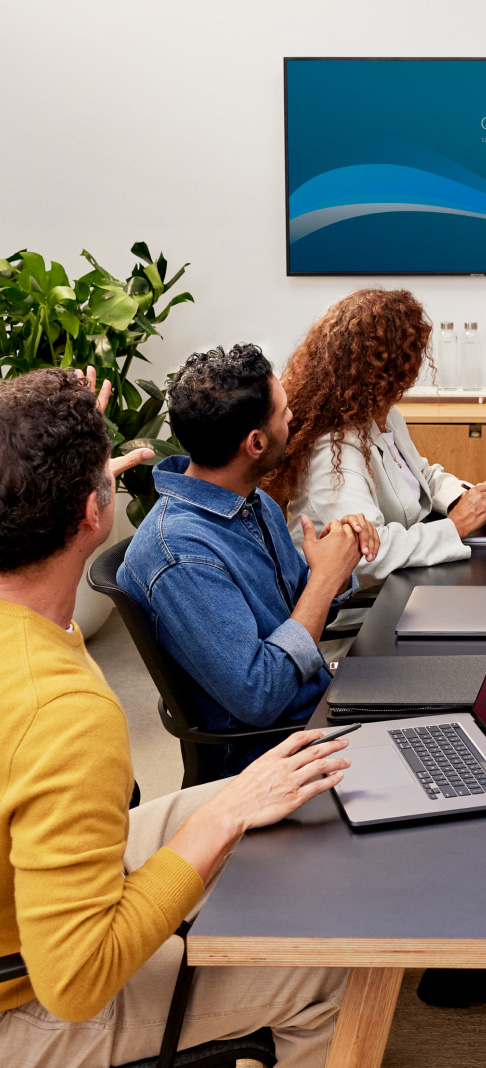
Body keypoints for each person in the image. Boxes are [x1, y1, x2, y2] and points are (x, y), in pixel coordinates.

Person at [0, 367, 352, 1067]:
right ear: (90, 516)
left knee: (293, 802)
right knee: (330, 961)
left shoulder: (29, 640)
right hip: (29, 1001)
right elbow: (78, 980)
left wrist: (56, 462)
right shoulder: (64, 711)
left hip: (24, 893)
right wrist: (222, 820)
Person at [119, 345, 379, 775]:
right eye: (284, 412)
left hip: (315, 708)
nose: (292, 418)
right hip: (271, 755)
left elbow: (297, 611)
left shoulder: (249, 502)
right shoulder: (181, 555)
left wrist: (336, 560)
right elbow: (260, 695)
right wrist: (322, 582)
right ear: (255, 443)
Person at [262, 289, 486, 585]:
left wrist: (465, 498)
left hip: (404, 581)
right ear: (394, 365)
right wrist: (455, 527)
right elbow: (369, 553)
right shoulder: (332, 451)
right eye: (414, 350)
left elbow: (423, 475)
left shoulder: (383, 416)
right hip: (360, 610)